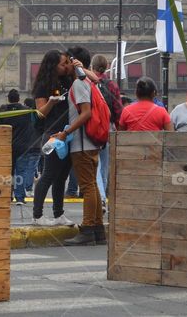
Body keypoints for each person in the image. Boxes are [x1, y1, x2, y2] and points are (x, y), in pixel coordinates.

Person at [55, 46, 104, 246]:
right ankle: (98, 230)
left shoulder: (79, 83)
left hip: (82, 143)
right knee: (92, 185)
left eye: (67, 62)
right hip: (90, 142)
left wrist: (66, 132)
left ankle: (87, 229)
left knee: (87, 186)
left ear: (75, 62)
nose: (64, 66)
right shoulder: (90, 82)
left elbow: (86, 113)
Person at [30, 50, 75, 227]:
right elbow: (40, 113)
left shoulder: (68, 80)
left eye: (66, 63)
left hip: (67, 132)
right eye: (62, 64)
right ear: (52, 66)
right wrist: (51, 102)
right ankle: (37, 215)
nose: (66, 66)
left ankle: (58, 214)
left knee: (62, 176)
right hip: (53, 134)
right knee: (48, 174)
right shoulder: (43, 85)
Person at [0, 89, 38, 204]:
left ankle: (7, 196)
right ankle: (20, 197)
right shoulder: (26, 111)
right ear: (19, 98)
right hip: (23, 146)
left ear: (8, 98)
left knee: (8, 172)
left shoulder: (3, 110)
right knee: (21, 172)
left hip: (8, 145)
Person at [91, 54, 121, 207]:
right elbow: (118, 110)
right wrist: (118, 127)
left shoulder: (88, 82)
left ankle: (101, 197)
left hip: (91, 128)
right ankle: (102, 199)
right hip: (107, 128)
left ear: (92, 66)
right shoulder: (112, 85)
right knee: (104, 165)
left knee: (95, 164)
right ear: (107, 67)